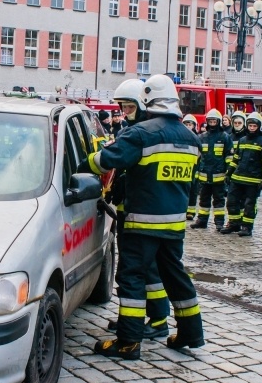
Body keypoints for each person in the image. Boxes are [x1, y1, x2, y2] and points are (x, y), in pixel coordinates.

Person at [86, 74, 203, 359]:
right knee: (175, 275)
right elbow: (192, 184)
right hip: (174, 225)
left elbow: (105, 161)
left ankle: (128, 342)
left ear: (147, 100)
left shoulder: (142, 133)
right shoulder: (192, 139)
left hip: (142, 223)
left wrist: (85, 161)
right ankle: (191, 332)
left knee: (132, 278)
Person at [106, 79, 171, 341]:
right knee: (131, 269)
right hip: (129, 210)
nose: (125, 112)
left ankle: (157, 321)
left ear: (143, 106)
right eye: (122, 107)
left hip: (143, 214)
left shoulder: (144, 134)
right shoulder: (129, 131)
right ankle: (129, 320)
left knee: (146, 271)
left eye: (129, 107)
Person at [220, 112, 262, 236]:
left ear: (259, 127)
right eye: (250, 126)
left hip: (253, 180)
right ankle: (234, 224)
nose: (252, 128)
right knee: (231, 201)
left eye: (254, 126)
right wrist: (229, 173)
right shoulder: (242, 140)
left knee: (249, 205)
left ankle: (247, 227)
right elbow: (235, 159)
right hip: (237, 178)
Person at [191, 109, 233, 231]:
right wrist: (196, 172)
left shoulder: (225, 137)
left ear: (218, 122)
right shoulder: (202, 137)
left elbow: (229, 156)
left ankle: (219, 222)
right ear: (207, 122)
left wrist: (228, 172)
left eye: (215, 121)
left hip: (219, 175)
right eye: (210, 121)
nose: (213, 123)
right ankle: (202, 220)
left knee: (219, 201)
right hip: (204, 174)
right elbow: (197, 156)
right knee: (203, 199)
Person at [183, 114, 200, 221]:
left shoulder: (197, 138)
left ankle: (191, 211)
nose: (188, 126)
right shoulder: (180, 137)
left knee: (193, 190)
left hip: (195, 167)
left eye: (190, 124)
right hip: (184, 167)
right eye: (186, 124)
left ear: (194, 126)